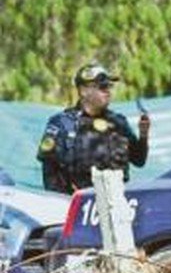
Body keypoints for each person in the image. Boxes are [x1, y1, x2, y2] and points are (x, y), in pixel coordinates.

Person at [36, 64, 150, 194]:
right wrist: (65, 202)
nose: (108, 91)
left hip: (118, 202)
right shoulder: (63, 123)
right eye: (103, 86)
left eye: (109, 86)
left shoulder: (118, 122)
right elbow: (50, 171)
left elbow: (139, 160)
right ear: (83, 91)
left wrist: (143, 135)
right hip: (78, 206)